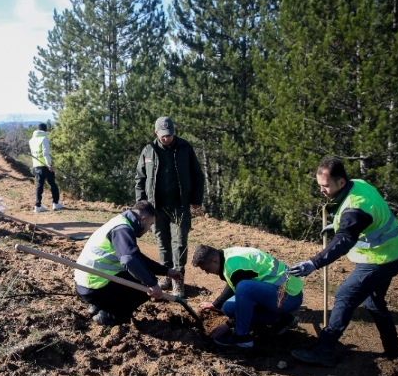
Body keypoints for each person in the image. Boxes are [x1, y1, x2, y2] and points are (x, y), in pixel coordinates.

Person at [289, 157, 398, 367]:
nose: (322, 190)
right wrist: (338, 226)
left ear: (341, 182)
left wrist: (313, 263)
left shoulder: (356, 207)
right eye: (319, 185)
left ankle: (324, 350)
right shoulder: (358, 185)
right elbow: (355, 224)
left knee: (345, 295)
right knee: (373, 301)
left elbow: (345, 240)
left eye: (325, 185)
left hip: (380, 260)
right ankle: (395, 354)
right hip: (394, 253)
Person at [75, 201, 181, 326]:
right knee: (143, 288)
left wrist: (166, 271)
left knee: (141, 273)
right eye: (151, 224)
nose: (149, 229)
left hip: (86, 282)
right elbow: (129, 260)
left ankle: (98, 305)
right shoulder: (122, 229)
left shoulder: (119, 222)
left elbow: (137, 258)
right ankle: (107, 317)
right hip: (93, 286)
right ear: (143, 219)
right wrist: (152, 284)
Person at [134, 116, 205, 296]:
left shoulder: (184, 148)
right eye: (163, 135)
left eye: (170, 135)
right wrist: (140, 206)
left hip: (179, 206)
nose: (167, 138)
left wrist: (196, 200)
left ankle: (178, 279)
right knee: (162, 243)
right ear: (156, 133)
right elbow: (140, 179)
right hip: (156, 207)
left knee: (180, 242)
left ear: (174, 133)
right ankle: (166, 276)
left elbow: (197, 175)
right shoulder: (148, 151)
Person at [191, 245, 303, 348]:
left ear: (214, 261)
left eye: (207, 269)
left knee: (244, 288)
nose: (207, 273)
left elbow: (242, 289)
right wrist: (216, 304)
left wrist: (228, 324)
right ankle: (283, 319)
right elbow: (232, 283)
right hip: (280, 293)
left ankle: (242, 338)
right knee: (228, 308)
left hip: (289, 296)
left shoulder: (234, 266)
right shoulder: (227, 256)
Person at [29, 123, 61, 212]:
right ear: (45, 130)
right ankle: (56, 203)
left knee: (39, 185)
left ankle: (37, 206)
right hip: (45, 165)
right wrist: (49, 165)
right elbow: (45, 153)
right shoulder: (44, 138)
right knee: (53, 184)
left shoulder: (32, 140)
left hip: (36, 165)